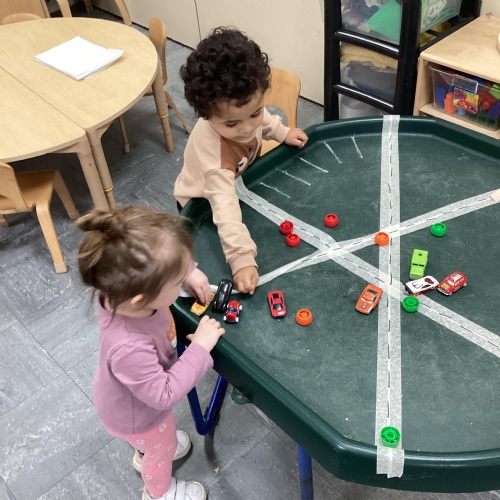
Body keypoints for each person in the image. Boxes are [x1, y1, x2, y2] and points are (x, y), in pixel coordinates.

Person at [77, 206, 225, 500]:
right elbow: (163, 394)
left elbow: (156, 261)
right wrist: (199, 349)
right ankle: (160, 491)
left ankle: (147, 446)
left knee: (156, 441)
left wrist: (188, 272)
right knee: (162, 451)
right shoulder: (128, 346)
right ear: (142, 296)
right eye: (176, 281)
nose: (180, 282)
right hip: (138, 416)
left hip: (128, 399)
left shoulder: (118, 290)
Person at [174, 27, 308, 296]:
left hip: (237, 183)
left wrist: (280, 132)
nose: (247, 129)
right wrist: (241, 259)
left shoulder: (245, 114)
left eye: (254, 113)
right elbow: (225, 211)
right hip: (201, 205)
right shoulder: (215, 160)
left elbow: (262, 119)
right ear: (206, 115)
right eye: (232, 124)